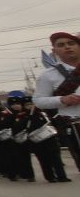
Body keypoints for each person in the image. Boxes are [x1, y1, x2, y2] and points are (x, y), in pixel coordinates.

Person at [30, 32, 80, 178]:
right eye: (61, 45)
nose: (67, 47)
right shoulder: (49, 75)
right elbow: (38, 100)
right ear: (54, 51)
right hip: (74, 124)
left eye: (71, 43)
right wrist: (62, 100)